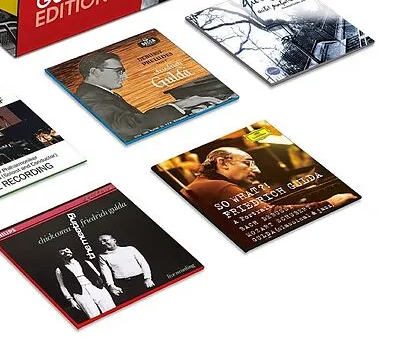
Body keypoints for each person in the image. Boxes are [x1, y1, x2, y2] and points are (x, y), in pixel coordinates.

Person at [182, 147, 358, 246]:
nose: (257, 170)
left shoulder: (205, 184)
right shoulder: (218, 187)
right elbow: (270, 215)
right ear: (223, 163)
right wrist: (329, 203)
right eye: (248, 163)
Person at [74, 51, 224, 142]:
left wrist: (180, 107)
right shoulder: (89, 97)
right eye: (119, 71)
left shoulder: (96, 93)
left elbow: (131, 120)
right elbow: (128, 126)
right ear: (95, 72)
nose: (124, 76)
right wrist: (180, 106)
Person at [55, 247, 116, 319]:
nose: (66, 252)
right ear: (59, 256)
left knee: (110, 309)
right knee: (93, 315)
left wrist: (100, 284)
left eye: (67, 250)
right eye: (62, 252)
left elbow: (97, 274)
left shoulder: (86, 262)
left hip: (95, 287)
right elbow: (62, 286)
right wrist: (70, 299)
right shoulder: (59, 270)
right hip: (79, 293)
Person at [97, 235, 154, 303]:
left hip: (140, 280)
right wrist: (111, 285)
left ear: (114, 240)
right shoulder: (102, 256)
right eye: (100, 242)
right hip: (122, 284)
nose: (103, 243)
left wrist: (147, 278)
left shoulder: (130, 249)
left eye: (105, 240)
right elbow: (106, 272)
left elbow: (143, 263)